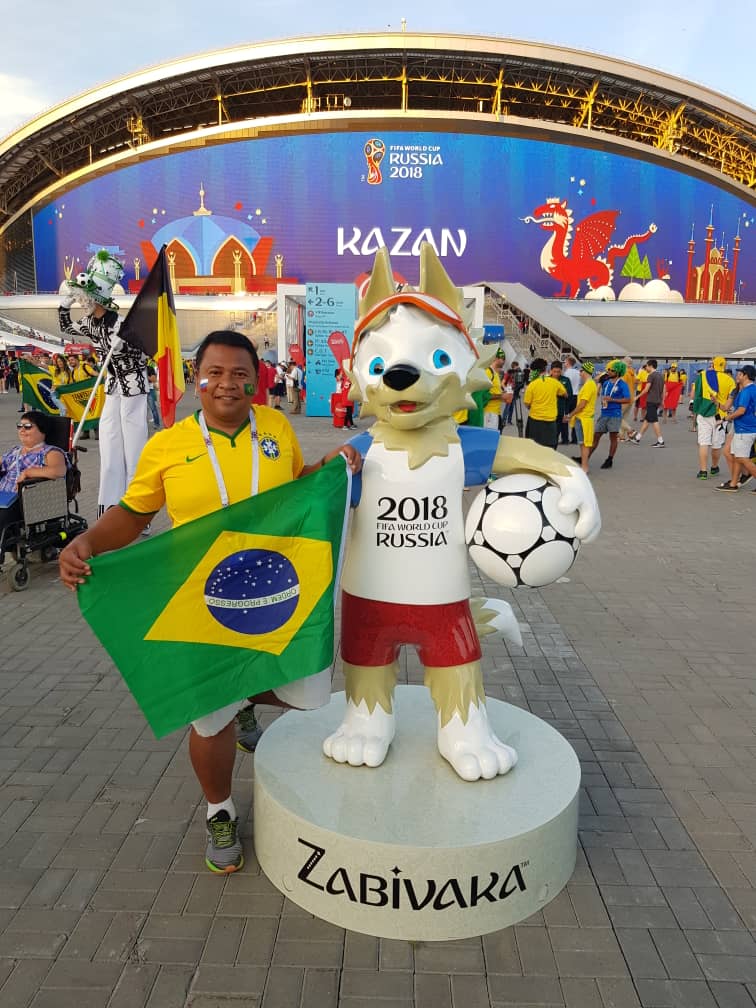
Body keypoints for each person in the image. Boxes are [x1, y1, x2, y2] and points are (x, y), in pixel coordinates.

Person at [58, 330, 361, 875]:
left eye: (240, 373)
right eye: (215, 372)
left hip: (278, 596)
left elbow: (296, 484)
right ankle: (219, 810)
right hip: (204, 603)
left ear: (256, 379)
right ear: (197, 378)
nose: (227, 383)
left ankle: (257, 723)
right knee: (208, 721)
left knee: (309, 697)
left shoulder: (274, 425)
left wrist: (329, 466)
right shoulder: (167, 445)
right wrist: (87, 542)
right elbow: (133, 514)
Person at [58, 250, 149, 516]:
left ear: (97, 299)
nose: (82, 302)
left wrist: (127, 347)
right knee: (109, 439)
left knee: (134, 445)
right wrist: (64, 304)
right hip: (112, 384)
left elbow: (146, 352)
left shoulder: (122, 323)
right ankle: (109, 505)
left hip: (133, 385)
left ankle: (137, 508)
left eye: (84, 298)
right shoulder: (89, 322)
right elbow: (65, 326)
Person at [0, 411, 67, 551]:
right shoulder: (15, 451)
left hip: (25, 499)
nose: (22, 430)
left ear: (42, 429)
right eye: (19, 426)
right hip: (3, 496)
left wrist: (29, 472)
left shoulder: (50, 452)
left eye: (28, 426)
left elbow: (59, 471)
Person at [691, 356, 736, 479]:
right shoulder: (730, 380)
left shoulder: (703, 375)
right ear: (724, 366)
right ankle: (714, 467)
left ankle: (703, 471)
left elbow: (697, 395)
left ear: (713, 364)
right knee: (716, 444)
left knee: (703, 443)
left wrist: (696, 410)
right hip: (720, 416)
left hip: (704, 412)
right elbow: (731, 400)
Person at [715, 364, 756, 492]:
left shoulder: (745, 391)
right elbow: (728, 407)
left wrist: (725, 419)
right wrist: (716, 402)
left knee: (740, 458)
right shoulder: (750, 389)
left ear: (746, 376)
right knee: (736, 455)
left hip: (745, 429)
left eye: (739, 374)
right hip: (743, 428)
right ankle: (733, 483)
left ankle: (742, 476)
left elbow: (741, 411)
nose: (736, 376)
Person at [587, 360, 631, 469]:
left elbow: (628, 399)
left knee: (613, 438)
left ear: (618, 372)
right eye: (609, 369)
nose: (609, 371)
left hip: (615, 414)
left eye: (612, 370)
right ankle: (586, 457)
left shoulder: (622, 384)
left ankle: (609, 459)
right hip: (604, 413)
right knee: (595, 436)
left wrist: (613, 400)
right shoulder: (606, 383)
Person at [522, 357, 566, 448]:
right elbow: (565, 394)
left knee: (534, 446)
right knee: (550, 447)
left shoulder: (532, 385)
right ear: (545, 369)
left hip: (535, 420)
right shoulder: (555, 383)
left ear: (534, 371)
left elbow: (527, 403)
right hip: (550, 421)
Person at [565, 362, 597, 472]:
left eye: (581, 371)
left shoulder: (589, 385)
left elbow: (582, 404)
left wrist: (570, 415)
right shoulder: (588, 384)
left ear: (585, 372)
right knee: (582, 443)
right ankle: (584, 465)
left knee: (584, 444)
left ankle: (585, 466)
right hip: (582, 418)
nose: (580, 373)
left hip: (584, 418)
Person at [631, 359, 665, 447]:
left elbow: (646, 389)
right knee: (647, 420)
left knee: (654, 421)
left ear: (650, 366)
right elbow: (664, 389)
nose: (646, 367)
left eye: (646, 366)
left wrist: (637, 397)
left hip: (651, 400)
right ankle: (638, 438)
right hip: (657, 400)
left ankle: (660, 441)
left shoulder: (651, 376)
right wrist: (662, 400)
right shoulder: (661, 375)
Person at [550, 360, 573, 445]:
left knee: (556, 434)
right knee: (549, 435)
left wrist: (566, 413)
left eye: (558, 372)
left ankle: (563, 441)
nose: (556, 374)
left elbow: (569, 396)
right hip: (548, 412)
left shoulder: (565, 380)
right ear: (551, 371)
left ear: (561, 371)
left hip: (561, 411)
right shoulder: (547, 380)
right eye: (554, 371)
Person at [146, 365, 161, 429]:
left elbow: (154, 379)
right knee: (141, 410)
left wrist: (145, 376)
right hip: (140, 393)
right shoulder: (137, 368)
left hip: (149, 390)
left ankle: (156, 424)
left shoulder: (149, 368)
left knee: (153, 409)